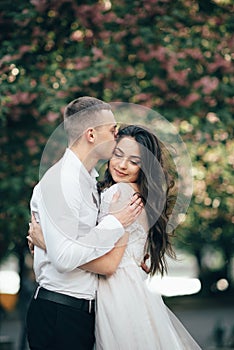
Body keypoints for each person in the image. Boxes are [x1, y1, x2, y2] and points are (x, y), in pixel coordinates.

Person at [28, 124, 202, 349]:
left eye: (134, 161)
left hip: (117, 292)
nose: (121, 165)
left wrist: (50, 245)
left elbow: (110, 265)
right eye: (118, 154)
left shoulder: (120, 194)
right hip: (129, 291)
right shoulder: (135, 193)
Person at [26, 97, 143, 350]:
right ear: (91, 134)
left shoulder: (88, 180)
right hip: (60, 312)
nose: (117, 134)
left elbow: (73, 248)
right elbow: (65, 258)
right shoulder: (63, 182)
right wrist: (115, 223)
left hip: (78, 314)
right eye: (112, 129)